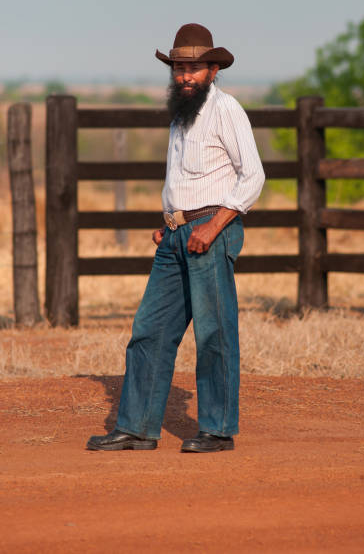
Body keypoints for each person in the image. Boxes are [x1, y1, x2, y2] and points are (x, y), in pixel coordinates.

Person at [87, 23, 265, 453]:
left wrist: (210, 225)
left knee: (213, 333)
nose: (185, 76)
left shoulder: (226, 110)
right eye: (179, 68)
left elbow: (253, 177)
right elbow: (185, 178)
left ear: (213, 70)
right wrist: (170, 220)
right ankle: (137, 428)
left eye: (194, 68)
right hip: (175, 236)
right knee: (149, 331)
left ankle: (218, 429)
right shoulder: (181, 115)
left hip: (212, 233)